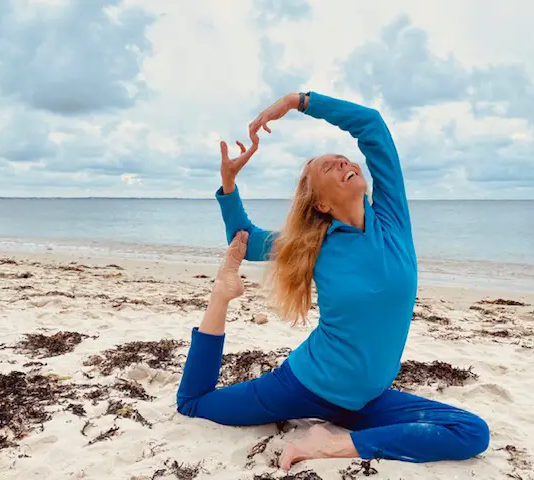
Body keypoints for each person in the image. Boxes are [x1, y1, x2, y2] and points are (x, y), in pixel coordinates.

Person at [176, 91, 489, 470]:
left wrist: (298, 101)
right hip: (303, 385)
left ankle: (336, 444)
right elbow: (242, 237)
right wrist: (228, 183)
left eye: (343, 159)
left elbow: (371, 126)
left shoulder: (393, 222)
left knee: (472, 432)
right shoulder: (312, 245)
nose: (343, 162)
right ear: (321, 204)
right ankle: (220, 296)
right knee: (194, 405)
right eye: (330, 168)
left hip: (366, 400)